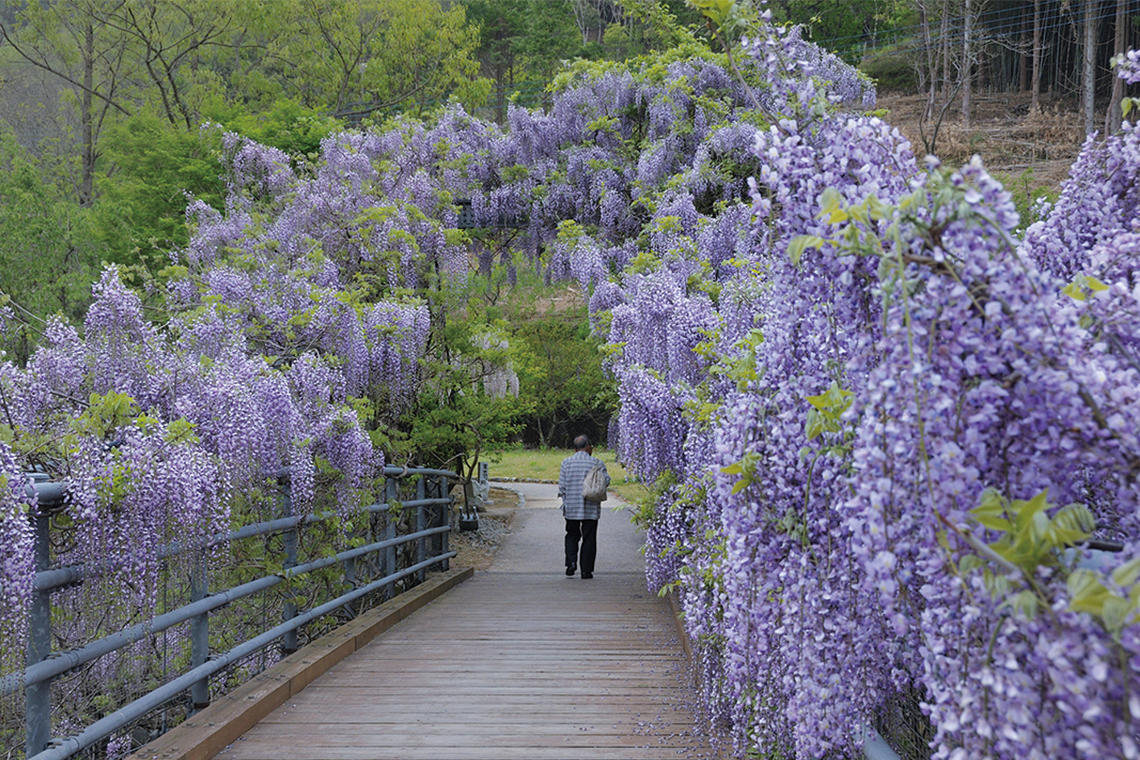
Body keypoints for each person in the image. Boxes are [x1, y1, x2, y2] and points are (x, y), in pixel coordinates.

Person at [558, 434, 609, 579]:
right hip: (591, 507)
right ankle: (586, 571)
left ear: (575, 449)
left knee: (572, 534)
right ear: (588, 447)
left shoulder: (566, 463)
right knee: (589, 537)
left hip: (572, 507)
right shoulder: (597, 463)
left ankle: (571, 562)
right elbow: (606, 481)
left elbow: (562, 486)